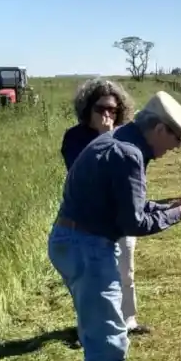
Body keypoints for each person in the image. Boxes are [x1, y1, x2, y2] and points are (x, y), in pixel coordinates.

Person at [49, 90, 181, 361]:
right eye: (176, 137)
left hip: (77, 239)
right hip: (87, 245)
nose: (176, 146)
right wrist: (180, 212)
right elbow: (133, 222)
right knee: (108, 331)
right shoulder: (127, 153)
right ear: (159, 129)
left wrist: (171, 205)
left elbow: (127, 206)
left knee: (104, 324)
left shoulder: (120, 141)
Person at [60, 78, 149, 334]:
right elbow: (83, 173)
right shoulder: (74, 137)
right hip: (88, 219)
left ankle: (128, 319)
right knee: (92, 277)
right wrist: (104, 135)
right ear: (87, 108)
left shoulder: (125, 135)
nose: (107, 114)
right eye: (101, 109)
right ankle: (90, 326)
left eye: (113, 110)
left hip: (120, 215)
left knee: (125, 270)